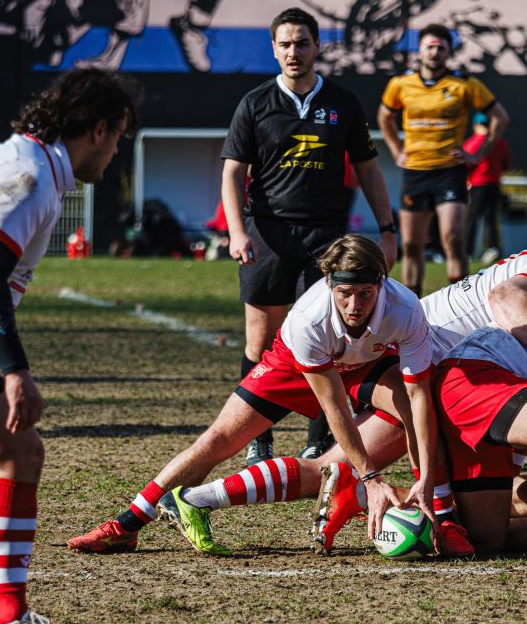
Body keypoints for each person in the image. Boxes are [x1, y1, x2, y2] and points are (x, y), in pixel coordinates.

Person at [68, 233, 438, 556]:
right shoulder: (309, 319)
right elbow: (335, 408)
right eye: (344, 293)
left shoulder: (406, 309)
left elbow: (419, 395)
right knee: (219, 439)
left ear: (382, 283)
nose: (354, 305)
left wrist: (427, 479)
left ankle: (438, 506)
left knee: (412, 404)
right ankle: (126, 525)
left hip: (368, 362)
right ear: (329, 284)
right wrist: (371, 478)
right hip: (295, 362)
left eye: (365, 294)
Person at [0, 69, 138, 624]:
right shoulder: (28, 177)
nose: (117, 151)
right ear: (98, 129)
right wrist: (15, 370)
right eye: (119, 136)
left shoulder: (35, 167)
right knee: (19, 450)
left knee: (20, 452)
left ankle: (7, 615)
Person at [222, 7, 397, 465]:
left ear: (318, 46)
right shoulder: (254, 103)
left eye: (302, 43)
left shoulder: (343, 103)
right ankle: (258, 439)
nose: (293, 52)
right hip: (267, 235)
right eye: (285, 44)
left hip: (327, 239)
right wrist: (237, 231)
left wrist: (388, 230)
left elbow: (369, 171)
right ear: (273, 49)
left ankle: (320, 439)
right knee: (260, 341)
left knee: (329, 338)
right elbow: (233, 172)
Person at [377, 23, 509, 296]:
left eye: (440, 47)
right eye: (429, 47)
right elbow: (384, 116)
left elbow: (500, 117)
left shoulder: (464, 84)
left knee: (454, 238)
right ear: (420, 50)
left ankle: (459, 303)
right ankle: (414, 307)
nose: (434, 52)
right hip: (415, 171)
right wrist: (396, 150)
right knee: (411, 245)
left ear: (449, 52)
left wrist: (478, 153)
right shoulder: (401, 84)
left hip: (450, 171)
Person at [433, 324, 527, 553]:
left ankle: (404, 503)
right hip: (474, 374)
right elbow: (505, 303)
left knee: (486, 540)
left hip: (502, 387)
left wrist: (514, 467)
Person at [463, 112, 511, 264]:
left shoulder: (472, 143)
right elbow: (506, 163)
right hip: (494, 185)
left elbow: (465, 165)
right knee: (491, 219)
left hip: (477, 185)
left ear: (476, 125)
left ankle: (467, 252)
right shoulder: (500, 142)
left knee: (472, 219)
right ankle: (493, 249)